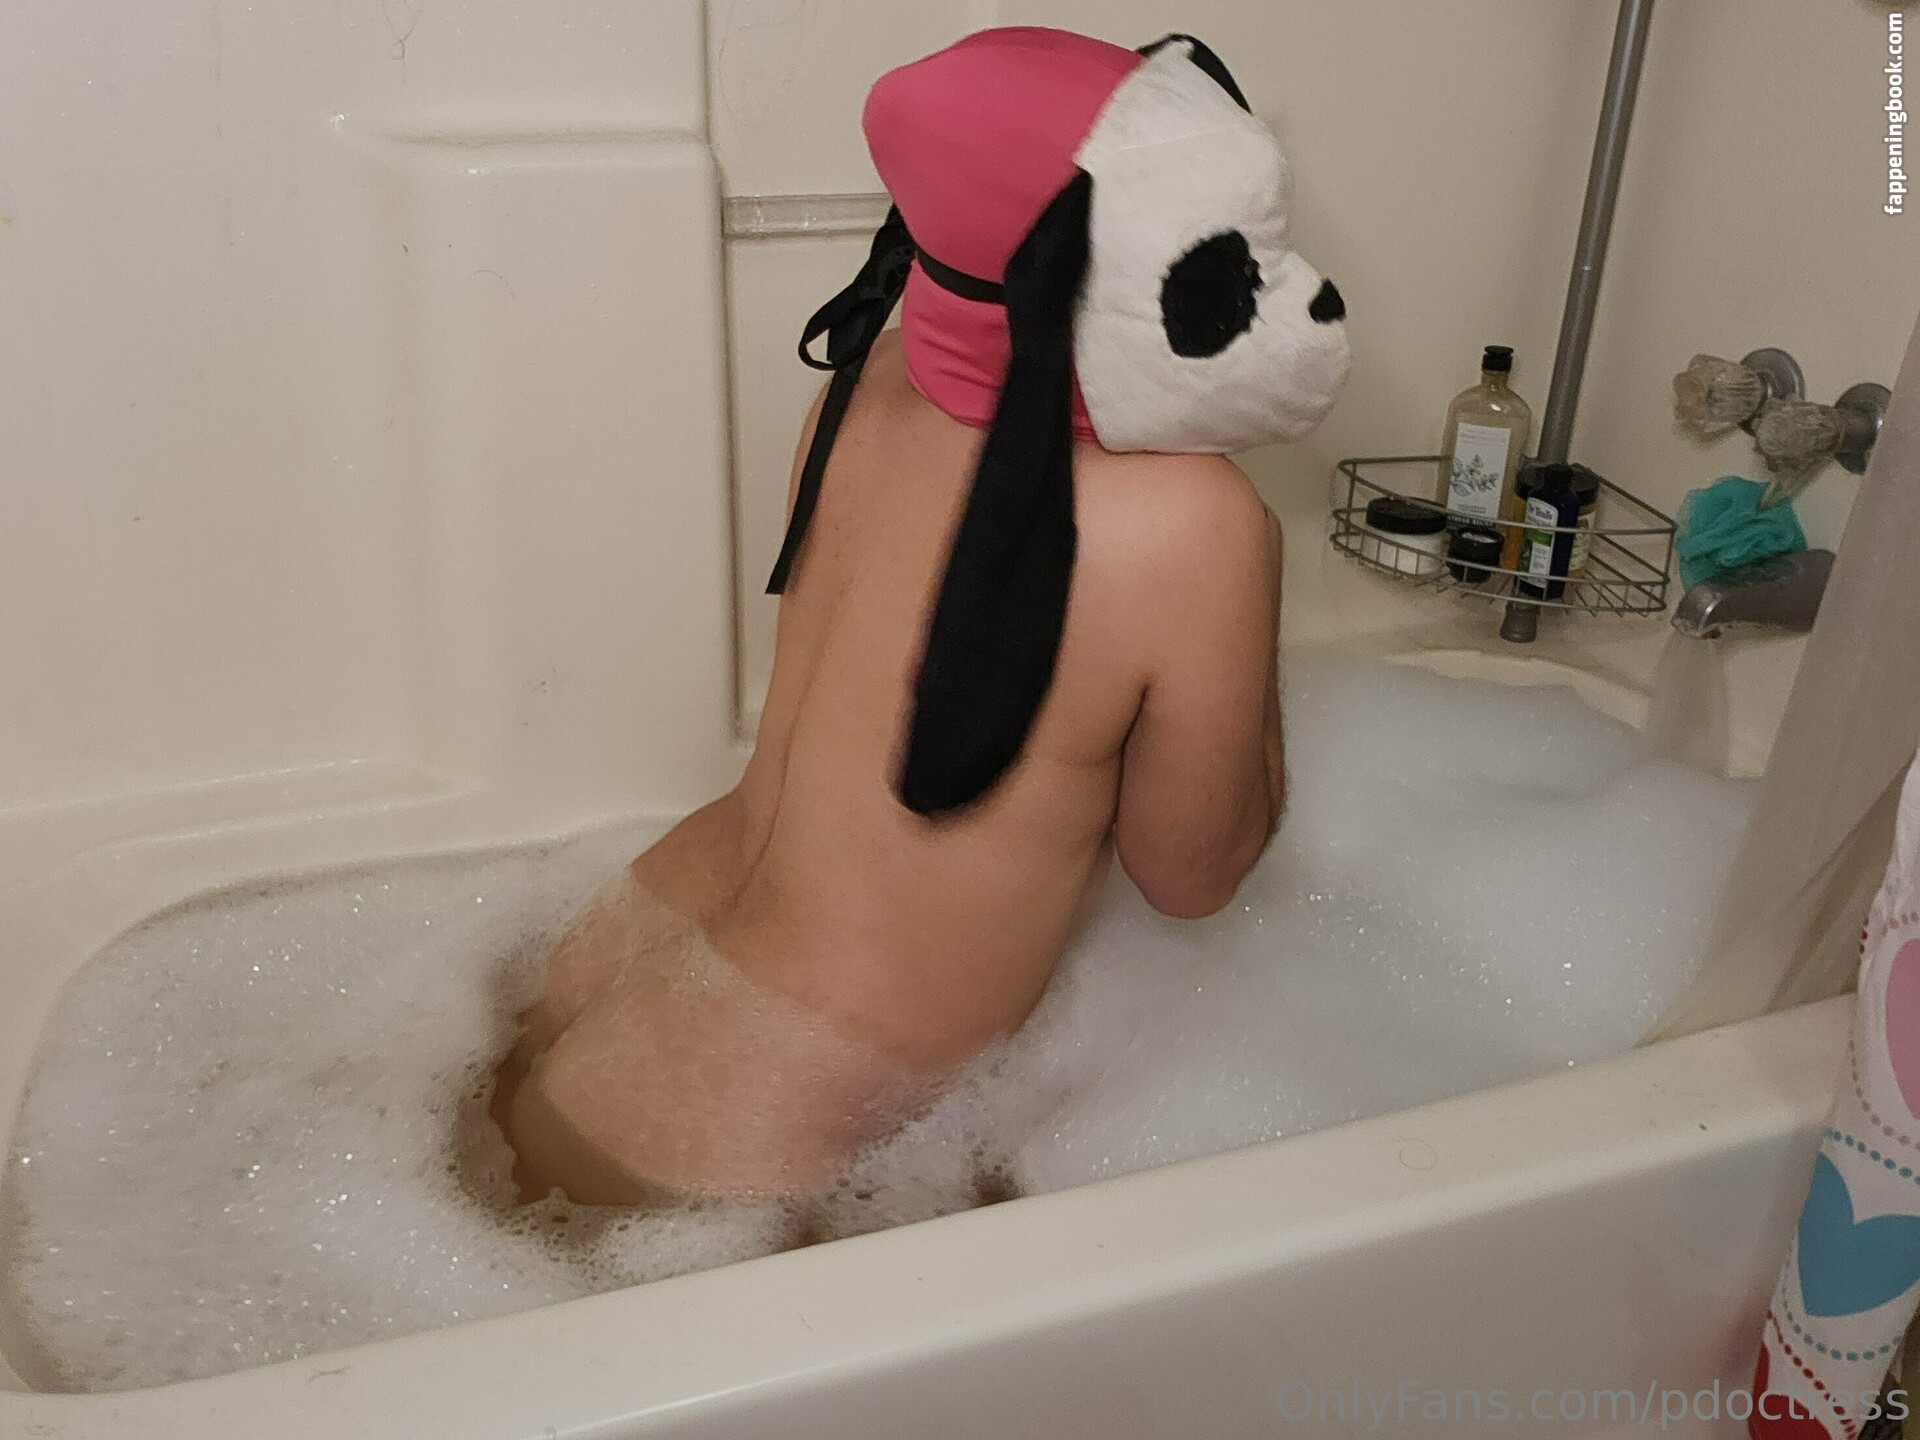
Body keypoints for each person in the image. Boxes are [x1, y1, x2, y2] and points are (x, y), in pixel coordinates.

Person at [493, 26, 1349, 1206]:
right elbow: (1194, 875)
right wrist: (1251, 609)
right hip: (766, 1092)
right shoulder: (1193, 523)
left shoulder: (873, 374)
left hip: (626, 946)